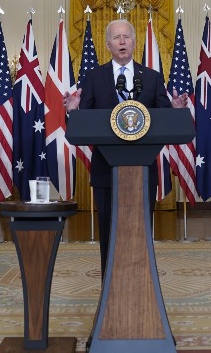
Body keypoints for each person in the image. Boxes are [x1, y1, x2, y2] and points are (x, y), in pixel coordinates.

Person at [63, 19, 188, 275]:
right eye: (116, 37)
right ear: (108, 44)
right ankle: (109, 283)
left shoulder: (151, 78)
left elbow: (163, 119)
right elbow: (84, 124)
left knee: (140, 230)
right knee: (108, 229)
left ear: (134, 42)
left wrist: (175, 112)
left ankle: (141, 282)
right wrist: (73, 112)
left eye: (126, 37)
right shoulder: (94, 77)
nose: (122, 41)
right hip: (106, 170)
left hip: (143, 170)